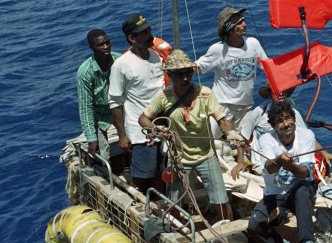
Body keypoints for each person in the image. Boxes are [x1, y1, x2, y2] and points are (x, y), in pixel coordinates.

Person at [139, 49, 245, 223]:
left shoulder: (206, 94)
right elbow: (143, 118)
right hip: (178, 157)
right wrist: (156, 129)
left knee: (221, 200)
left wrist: (230, 133)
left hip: (207, 155)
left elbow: (222, 120)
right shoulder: (163, 97)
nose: (185, 78)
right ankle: (176, 232)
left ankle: (230, 235)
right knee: (175, 201)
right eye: (179, 74)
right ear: (170, 75)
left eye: (188, 73)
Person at [246, 99, 320, 243]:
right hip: (275, 192)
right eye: (279, 121)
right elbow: (269, 167)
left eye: (288, 118)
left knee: (301, 189)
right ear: (273, 126)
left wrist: (291, 165)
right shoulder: (266, 139)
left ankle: (307, 241)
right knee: (254, 226)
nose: (285, 124)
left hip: (301, 188)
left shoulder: (307, 135)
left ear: (294, 118)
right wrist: (280, 160)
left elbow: (304, 173)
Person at [109, 13, 166, 194]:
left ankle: (165, 204)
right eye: (144, 32)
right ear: (132, 38)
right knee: (143, 174)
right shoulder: (121, 65)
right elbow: (115, 102)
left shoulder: (157, 57)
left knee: (163, 171)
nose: (150, 35)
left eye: (149, 30)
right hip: (140, 132)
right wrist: (122, 135)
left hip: (163, 126)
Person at [196, 6, 268, 130]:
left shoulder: (253, 43)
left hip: (246, 108)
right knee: (214, 142)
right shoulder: (217, 49)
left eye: (243, 20)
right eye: (239, 23)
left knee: (244, 144)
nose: (244, 24)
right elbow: (198, 67)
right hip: (221, 107)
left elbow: (267, 67)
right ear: (228, 29)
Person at [75, 28, 127, 175]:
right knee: (103, 156)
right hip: (100, 117)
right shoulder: (85, 73)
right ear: (91, 47)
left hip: (122, 111)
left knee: (134, 144)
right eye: (100, 45)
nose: (106, 47)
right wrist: (92, 138)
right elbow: (86, 108)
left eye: (107, 43)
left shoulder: (119, 61)